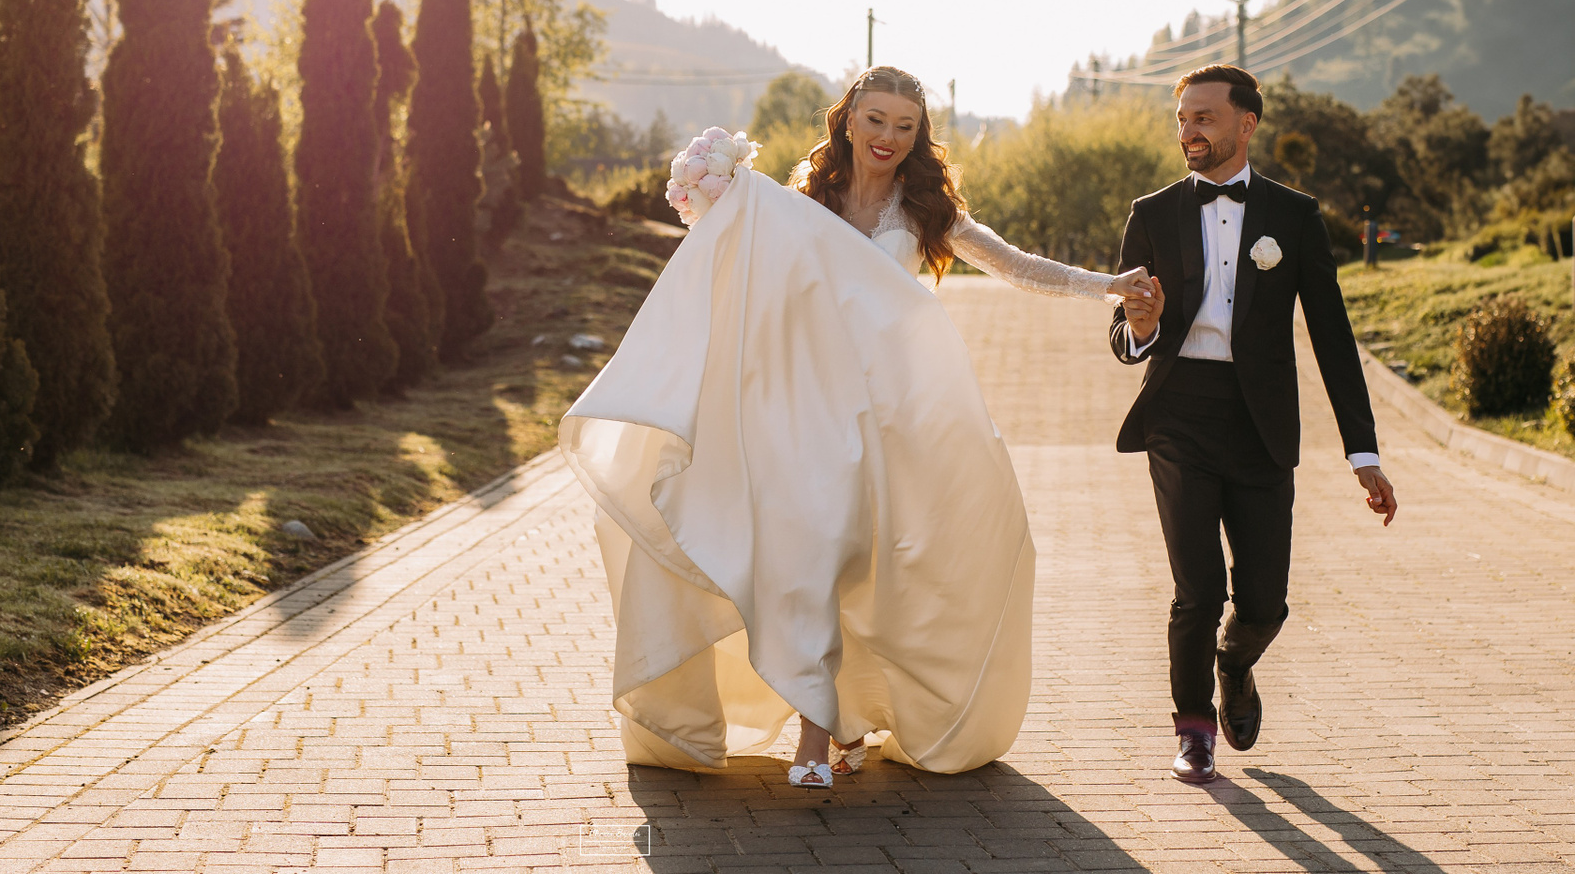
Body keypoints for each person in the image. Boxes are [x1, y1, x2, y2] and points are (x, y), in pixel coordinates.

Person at [560, 66, 1152, 789]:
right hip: (804, 414)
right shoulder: (801, 201)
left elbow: (1014, 265)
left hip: (893, 419)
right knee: (811, 554)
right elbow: (745, 279)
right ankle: (817, 733)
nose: (888, 138)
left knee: (875, 577)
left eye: (905, 127)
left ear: (919, 135)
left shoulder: (926, 209)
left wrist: (1107, 286)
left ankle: (849, 718)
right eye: (876, 120)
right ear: (847, 120)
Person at [1109, 64, 1396, 786]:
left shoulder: (1294, 216)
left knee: (1264, 602)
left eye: (1204, 117)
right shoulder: (1152, 213)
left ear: (1247, 124)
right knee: (1197, 591)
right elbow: (1123, 334)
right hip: (1179, 413)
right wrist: (1139, 327)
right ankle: (1193, 731)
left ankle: (1234, 664)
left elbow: (1332, 335)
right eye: (1182, 118)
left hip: (1262, 422)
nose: (1189, 131)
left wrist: (1362, 451)